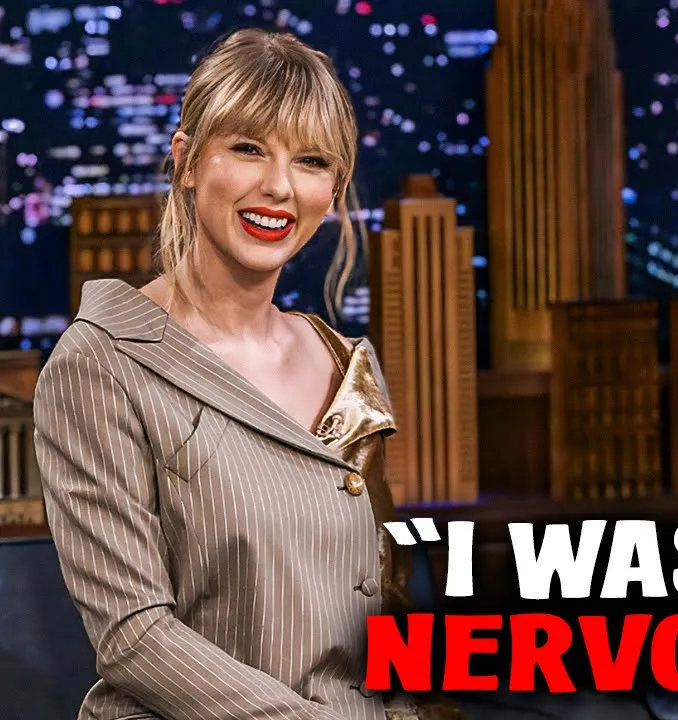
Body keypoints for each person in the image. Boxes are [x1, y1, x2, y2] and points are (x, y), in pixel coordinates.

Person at [32, 28, 421, 720]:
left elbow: (384, 607)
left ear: (332, 191)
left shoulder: (345, 365)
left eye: (310, 161)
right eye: (248, 148)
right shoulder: (99, 362)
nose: (278, 186)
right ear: (186, 161)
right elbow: (134, 638)